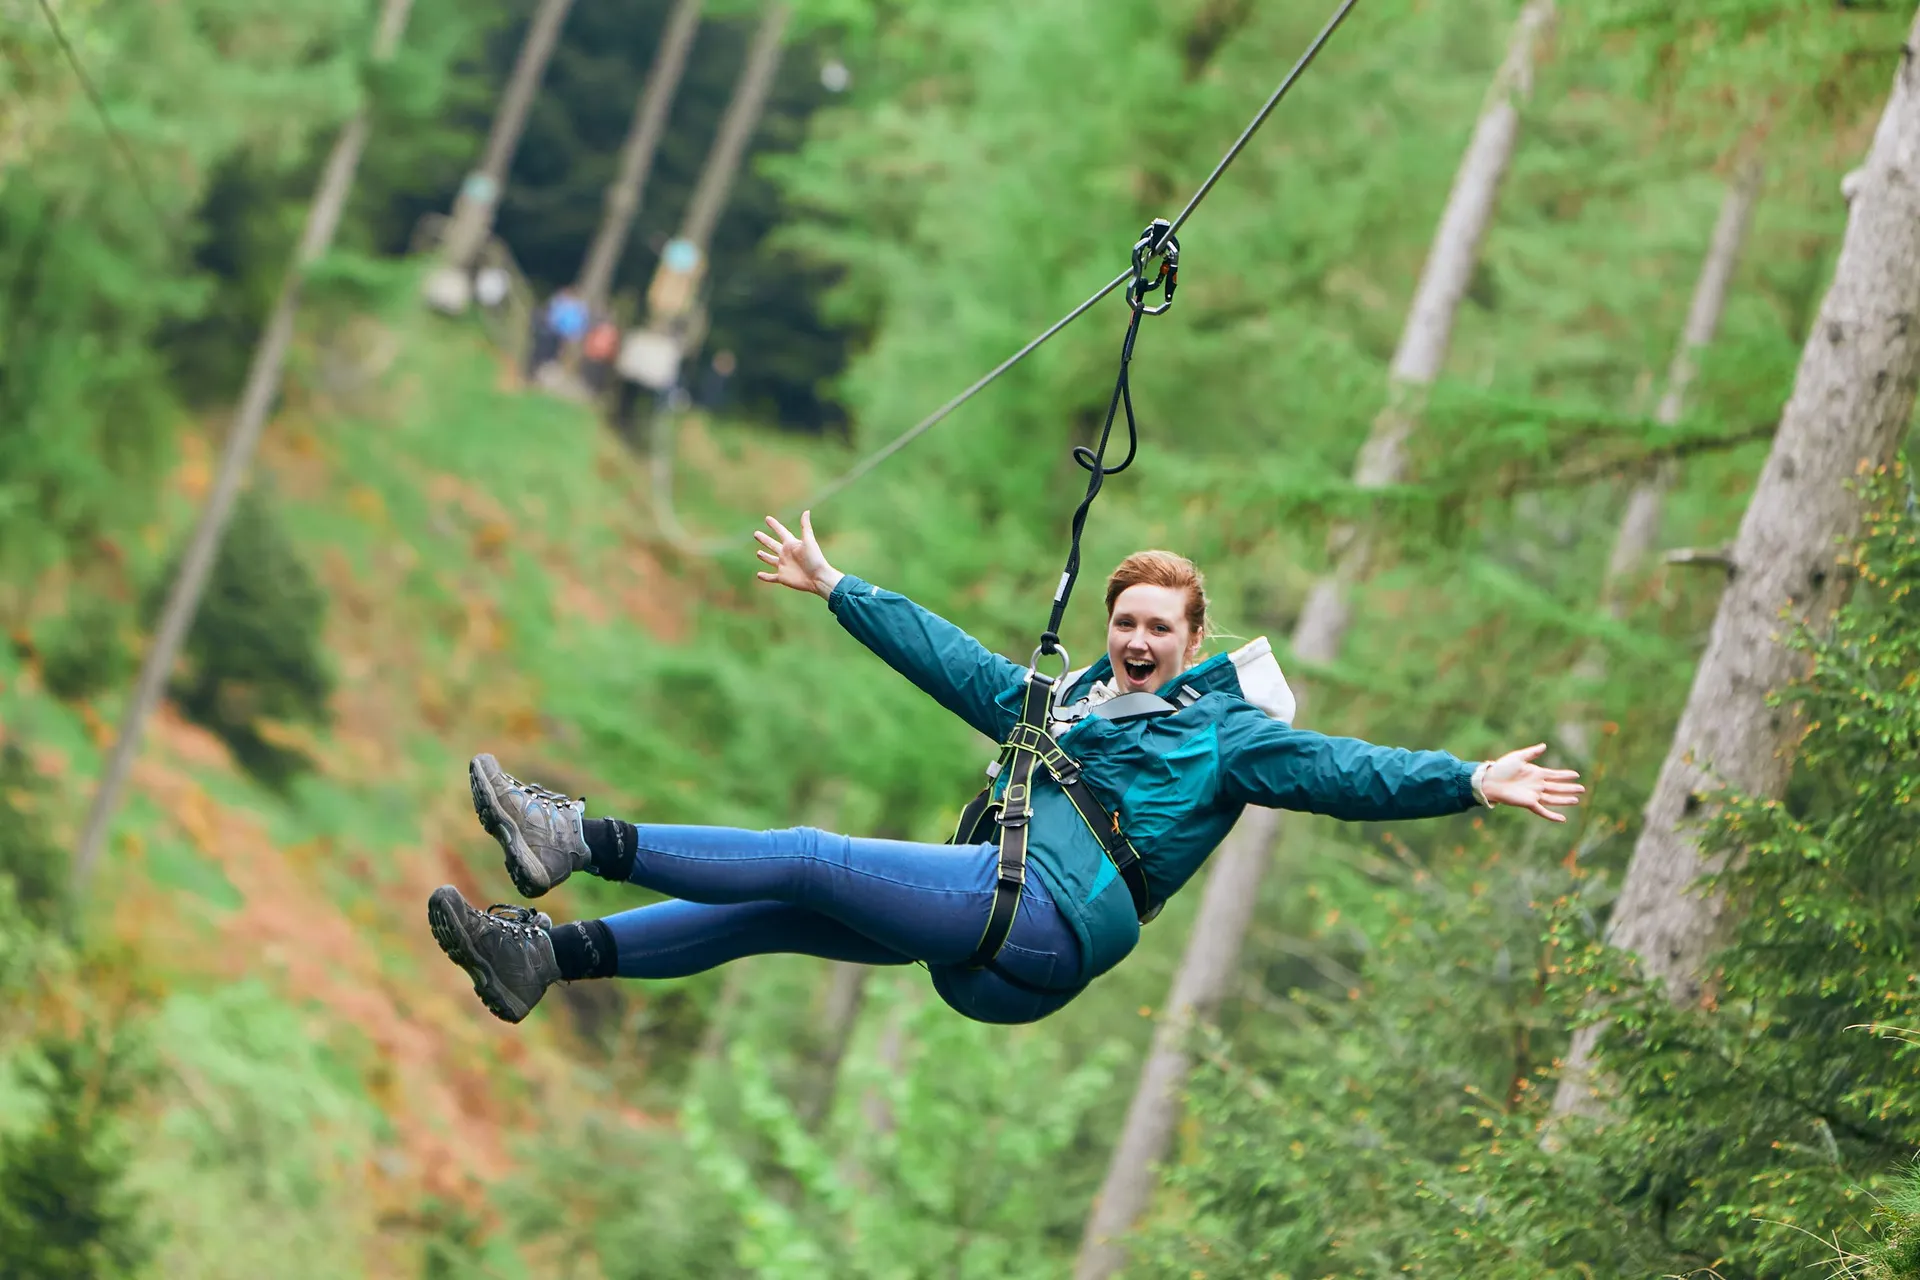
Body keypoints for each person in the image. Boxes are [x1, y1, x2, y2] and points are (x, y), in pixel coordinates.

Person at [427, 513, 1583, 1027]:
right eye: (1125, 619)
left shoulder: (1224, 736)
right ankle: (546, 956)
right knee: (782, 902)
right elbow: (964, 666)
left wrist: (1468, 777)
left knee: (817, 855)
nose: (1135, 639)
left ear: (1194, 639)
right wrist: (842, 590)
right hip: (989, 918)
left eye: (1159, 629)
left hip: (1044, 929)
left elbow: (1343, 768)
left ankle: (577, 837)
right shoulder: (1070, 701)